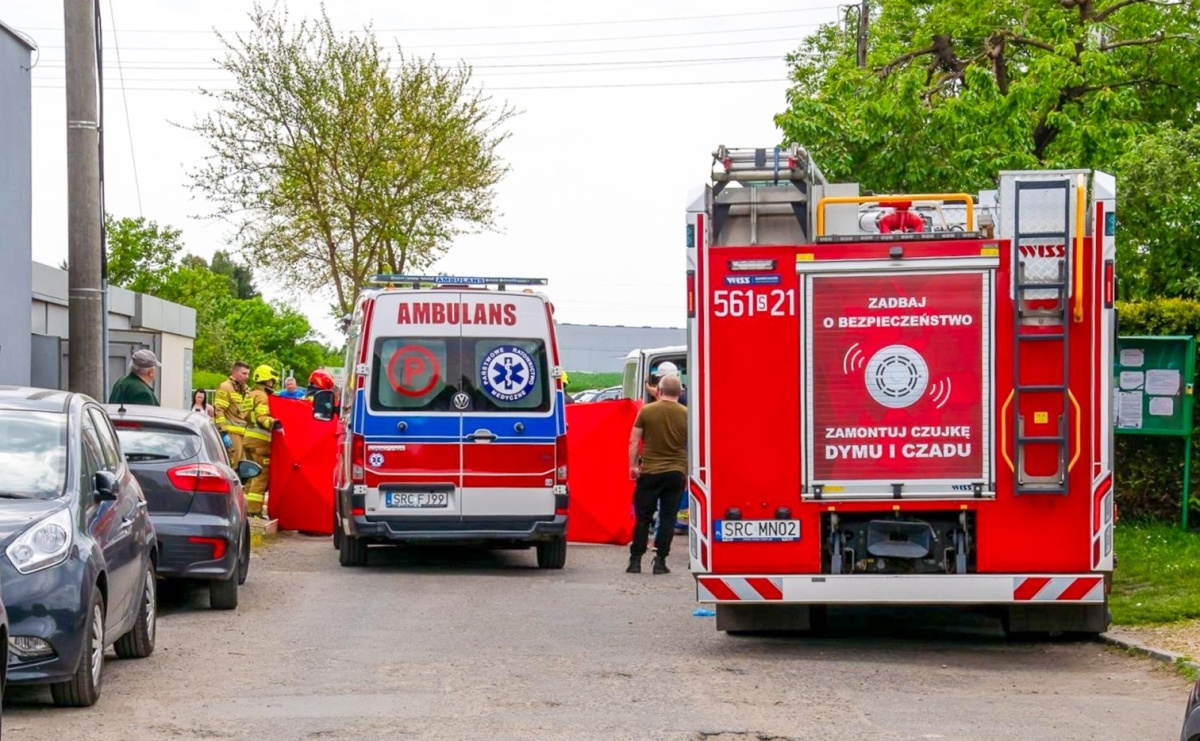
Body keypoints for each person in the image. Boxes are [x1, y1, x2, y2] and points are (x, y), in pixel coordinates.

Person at [626, 374, 687, 575]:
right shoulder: (687, 414)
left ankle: (635, 561)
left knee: (643, 517)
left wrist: (633, 466)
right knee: (668, 518)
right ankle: (660, 561)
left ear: (659, 391)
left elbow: (634, 441)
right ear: (680, 393)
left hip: (650, 472)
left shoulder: (647, 411)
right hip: (675, 473)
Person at [241, 364, 279, 519]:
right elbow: (261, 417)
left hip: (248, 439)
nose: (272, 384)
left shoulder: (250, 394)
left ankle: (244, 507)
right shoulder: (262, 396)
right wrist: (275, 423)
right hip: (261, 443)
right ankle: (255, 510)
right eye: (271, 381)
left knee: (250, 476)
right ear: (266, 380)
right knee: (260, 476)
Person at [215, 361, 251, 466]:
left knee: (241, 467)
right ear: (235, 372)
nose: (247, 376)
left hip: (243, 434)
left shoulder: (244, 389)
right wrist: (223, 432)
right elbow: (219, 410)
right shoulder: (226, 387)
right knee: (232, 466)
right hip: (231, 434)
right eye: (244, 373)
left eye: (248, 374)